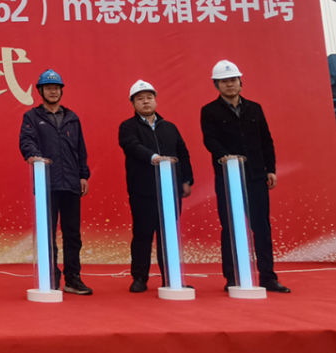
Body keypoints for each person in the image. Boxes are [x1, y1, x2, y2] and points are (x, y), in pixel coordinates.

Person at [201, 60, 290, 293]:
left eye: (233, 80)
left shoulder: (255, 108)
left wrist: (270, 169)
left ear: (240, 82)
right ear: (216, 85)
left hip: (256, 175)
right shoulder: (209, 111)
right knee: (230, 226)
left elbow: (266, 140)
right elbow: (210, 139)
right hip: (227, 176)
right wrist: (224, 156)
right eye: (224, 81)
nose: (229, 84)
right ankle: (232, 277)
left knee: (262, 226)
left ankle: (268, 277)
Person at [18, 69, 92, 295]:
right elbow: (26, 141)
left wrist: (83, 175)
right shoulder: (32, 117)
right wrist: (33, 155)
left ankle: (73, 278)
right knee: (47, 233)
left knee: (73, 235)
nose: (53, 92)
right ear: (40, 91)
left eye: (56, 88)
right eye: (48, 88)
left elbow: (80, 149)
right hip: (46, 184)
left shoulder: (72, 118)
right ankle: (50, 277)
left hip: (71, 184)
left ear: (61, 91)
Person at [118, 80, 193, 293]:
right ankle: (139, 278)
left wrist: (187, 180)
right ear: (133, 103)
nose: (145, 102)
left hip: (170, 189)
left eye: (149, 97)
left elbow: (183, 154)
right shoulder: (128, 127)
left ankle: (171, 278)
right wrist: (154, 157)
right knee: (143, 234)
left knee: (168, 234)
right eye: (140, 99)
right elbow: (132, 146)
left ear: (155, 101)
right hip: (143, 190)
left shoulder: (169, 127)